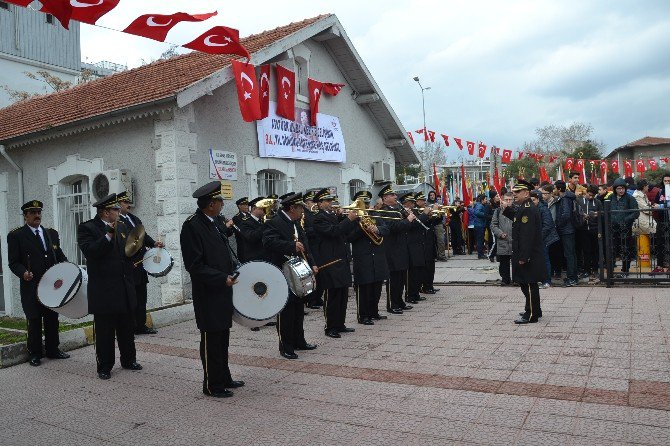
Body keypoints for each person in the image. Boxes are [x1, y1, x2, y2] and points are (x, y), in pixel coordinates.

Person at [180, 182, 244, 397]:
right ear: (210, 204)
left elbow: (223, 251)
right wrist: (220, 278)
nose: (222, 204)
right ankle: (212, 385)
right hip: (208, 292)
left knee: (222, 338)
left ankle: (224, 377)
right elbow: (195, 266)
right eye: (219, 201)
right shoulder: (192, 226)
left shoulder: (215, 222)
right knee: (211, 339)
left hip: (223, 289)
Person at [78, 193, 141, 380]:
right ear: (106, 212)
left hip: (123, 285)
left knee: (126, 328)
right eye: (115, 209)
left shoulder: (122, 226)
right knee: (105, 331)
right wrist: (108, 235)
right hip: (104, 289)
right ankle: (104, 366)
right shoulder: (87, 228)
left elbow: (128, 251)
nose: (119, 211)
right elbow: (91, 252)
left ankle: (129, 360)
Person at [7, 200, 69, 366]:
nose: (37, 215)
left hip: (51, 286)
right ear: (25, 216)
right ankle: (34, 353)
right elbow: (13, 262)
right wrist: (23, 273)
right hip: (31, 285)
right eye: (33, 212)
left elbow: (59, 255)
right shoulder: (16, 235)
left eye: (39, 212)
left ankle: (53, 349)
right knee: (34, 320)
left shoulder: (51, 233)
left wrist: (68, 269)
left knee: (51, 318)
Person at [262, 192, 319, 359]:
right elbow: (268, 242)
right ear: (292, 208)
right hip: (282, 271)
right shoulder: (275, 222)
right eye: (301, 207)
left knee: (298, 308)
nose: (303, 210)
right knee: (286, 311)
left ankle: (299, 341)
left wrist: (312, 263)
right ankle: (286, 346)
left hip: (298, 270)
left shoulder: (295, 222)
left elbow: (305, 245)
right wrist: (290, 246)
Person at [311, 188, 358, 338]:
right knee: (332, 295)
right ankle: (330, 327)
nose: (331, 203)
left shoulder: (332, 215)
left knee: (343, 294)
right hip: (330, 261)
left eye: (331, 200)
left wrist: (350, 220)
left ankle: (340, 324)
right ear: (319, 203)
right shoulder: (318, 218)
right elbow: (333, 232)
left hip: (341, 259)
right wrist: (348, 220)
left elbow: (344, 233)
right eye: (327, 201)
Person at [117, 191, 163, 335]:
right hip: (130, 262)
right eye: (125, 202)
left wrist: (154, 243)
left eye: (128, 202)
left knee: (142, 294)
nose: (128, 205)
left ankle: (141, 325)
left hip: (141, 261)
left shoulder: (134, 218)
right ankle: (131, 326)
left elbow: (143, 235)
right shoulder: (118, 222)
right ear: (118, 204)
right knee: (131, 296)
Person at [503, 180, 545, 324]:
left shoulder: (527, 208)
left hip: (529, 254)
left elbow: (527, 235)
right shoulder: (524, 207)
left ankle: (531, 314)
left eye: (517, 192)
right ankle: (534, 309)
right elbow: (517, 219)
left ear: (526, 193)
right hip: (526, 253)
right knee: (526, 283)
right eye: (513, 192)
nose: (514, 195)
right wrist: (506, 208)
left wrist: (524, 256)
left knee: (528, 284)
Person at [348, 191, 389, 325]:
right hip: (363, 256)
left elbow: (386, 229)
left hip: (377, 256)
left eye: (366, 203)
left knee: (376, 286)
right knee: (364, 287)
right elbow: (349, 237)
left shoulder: (374, 214)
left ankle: (374, 312)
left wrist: (377, 229)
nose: (365, 205)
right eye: (362, 203)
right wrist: (363, 228)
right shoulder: (351, 219)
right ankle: (363, 315)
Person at [378, 183, 415, 314]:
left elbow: (405, 228)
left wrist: (408, 217)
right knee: (393, 279)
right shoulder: (383, 211)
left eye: (394, 194)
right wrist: (407, 220)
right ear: (385, 198)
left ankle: (399, 301)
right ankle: (392, 304)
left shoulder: (396, 210)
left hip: (400, 248)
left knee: (400, 278)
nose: (395, 196)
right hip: (391, 249)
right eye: (392, 195)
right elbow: (393, 227)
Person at [402, 193, 432, 304]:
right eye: (411, 202)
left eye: (413, 202)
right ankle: (410, 295)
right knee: (412, 273)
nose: (413, 204)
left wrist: (429, 216)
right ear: (405, 203)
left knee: (419, 271)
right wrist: (424, 214)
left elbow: (424, 224)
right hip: (411, 245)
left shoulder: (413, 211)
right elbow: (416, 225)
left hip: (419, 244)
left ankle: (416, 293)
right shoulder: (404, 213)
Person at [606, 178, 639, 277]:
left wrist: (626, 220)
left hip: (625, 228)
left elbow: (636, 212)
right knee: (612, 249)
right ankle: (610, 271)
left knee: (625, 249)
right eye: (619, 188)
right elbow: (606, 210)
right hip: (613, 228)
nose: (621, 190)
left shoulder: (630, 198)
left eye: (623, 188)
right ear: (615, 189)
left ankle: (625, 270)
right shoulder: (611, 197)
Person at [530, 190, 559, 288]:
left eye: (533, 200)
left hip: (544, 239)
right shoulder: (533, 208)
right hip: (537, 238)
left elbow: (547, 226)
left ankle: (547, 281)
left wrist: (539, 238)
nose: (531, 202)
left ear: (538, 199)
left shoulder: (543, 209)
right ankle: (541, 279)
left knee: (544, 259)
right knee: (539, 259)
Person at [415, 192, 441, 294]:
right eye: (422, 200)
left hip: (430, 239)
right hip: (423, 241)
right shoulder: (416, 211)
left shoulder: (424, 210)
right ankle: (424, 286)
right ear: (417, 201)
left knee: (431, 264)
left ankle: (430, 285)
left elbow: (434, 223)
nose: (424, 202)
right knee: (426, 266)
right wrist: (426, 214)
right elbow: (419, 223)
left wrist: (436, 214)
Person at [302, 190, 324, 309]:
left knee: (320, 273)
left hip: (319, 245)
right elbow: (304, 230)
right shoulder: (304, 214)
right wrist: (317, 229)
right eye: (310, 201)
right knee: (313, 274)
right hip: (311, 246)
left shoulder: (314, 212)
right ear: (306, 202)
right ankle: (310, 300)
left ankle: (318, 297)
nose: (313, 203)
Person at [554, 180, 578, 286]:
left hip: (567, 230)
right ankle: (573, 277)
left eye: (554, 188)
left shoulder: (565, 199)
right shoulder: (566, 198)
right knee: (570, 254)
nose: (553, 190)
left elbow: (566, 215)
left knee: (569, 254)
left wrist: (558, 224)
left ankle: (572, 278)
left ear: (559, 189)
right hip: (568, 229)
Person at [575, 186, 602, 280]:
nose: (590, 197)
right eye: (589, 195)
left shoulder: (597, 202)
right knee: (585, 251)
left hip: (594, 229)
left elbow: (601, 214)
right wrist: (583, 217)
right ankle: (586, 270)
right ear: (586, 192)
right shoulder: (579, 201)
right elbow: (576, 214)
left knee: (595, 250)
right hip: (583, 229)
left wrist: (596, 214)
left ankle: (595, 269)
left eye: (593, 196)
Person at [491, 193, 513, 286]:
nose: (508, 202)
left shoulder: (517, 210)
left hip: (514, 239)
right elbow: (493, 225)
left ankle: (517, 279)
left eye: (510, 200)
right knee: (504, 261)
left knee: (516, 261)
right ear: (502, 200)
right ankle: (505, 279)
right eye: (506, 200)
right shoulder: (498, 210)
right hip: (503, 239)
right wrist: (500, 233)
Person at [653, 174, 670, 272]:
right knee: (660, 243)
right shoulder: (660, 192)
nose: (667, 183)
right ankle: (660, 265)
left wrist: (660, 206)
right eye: (665, 181)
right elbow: (655, 203)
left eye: (669, 181)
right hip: (661, 221)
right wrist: (659, 206)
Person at [428, 190, 447, 260]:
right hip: (430, 224)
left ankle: (441, 255)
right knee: (432, 241)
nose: (432, 196)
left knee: (441, 240)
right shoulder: (427, 203)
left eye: (433, 195)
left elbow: (443, 213)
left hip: (439, 223)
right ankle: (434, 256)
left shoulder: (439, 202)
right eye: (430, 195)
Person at [232, 197, 250, 262]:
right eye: (245, 205)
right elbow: (240, 232)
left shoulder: (250, 215)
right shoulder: (236, 218)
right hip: (243, 246)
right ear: (239, 206)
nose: (247, 206)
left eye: (247, 204)